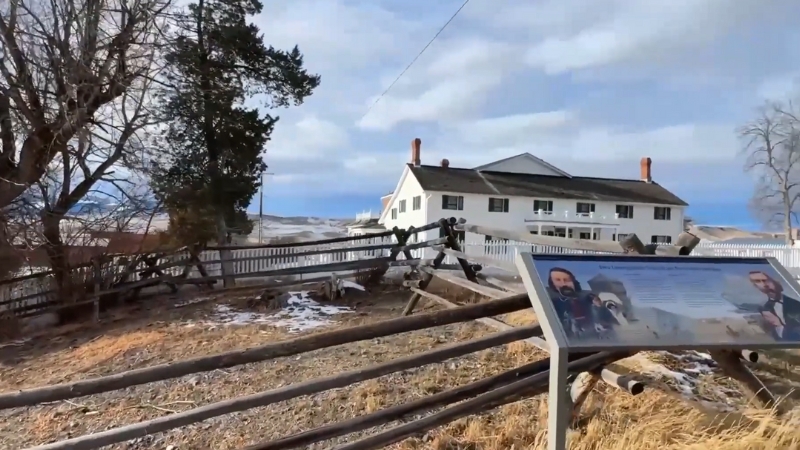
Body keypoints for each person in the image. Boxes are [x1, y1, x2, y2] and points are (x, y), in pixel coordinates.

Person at [546, 267, 600, 338]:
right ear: (552, 284)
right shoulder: (554, 303)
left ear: (573, 282)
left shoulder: (587, 298)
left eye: (567, 280)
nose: (563, 284)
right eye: (558, 280)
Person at [748, 270, 800, 341]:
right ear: (755, 286)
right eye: (757, 281)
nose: (764, 284)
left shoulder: (796, 303)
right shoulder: (764, 308)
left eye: (766, 280)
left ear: (775, 281)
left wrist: (780, 325)